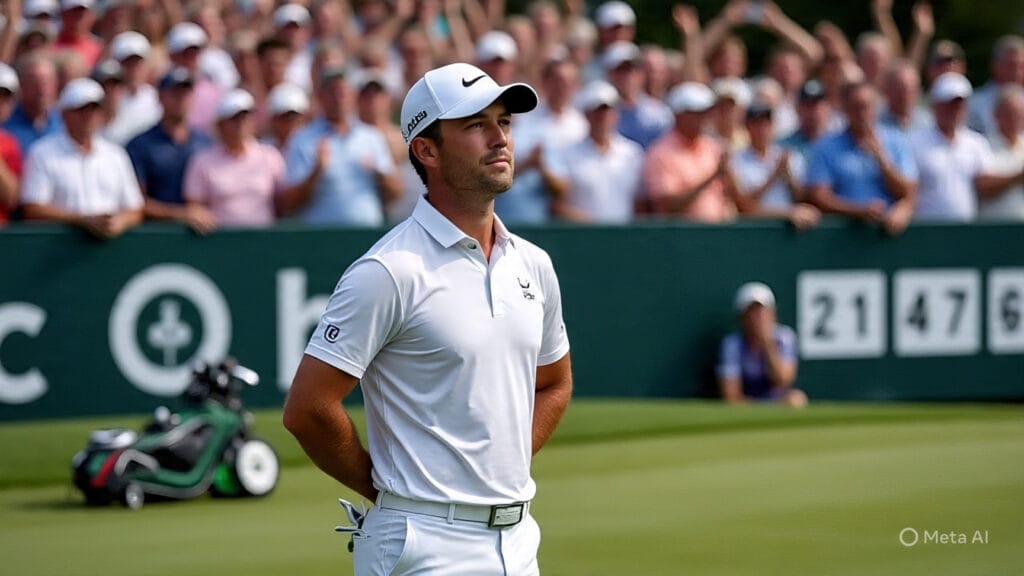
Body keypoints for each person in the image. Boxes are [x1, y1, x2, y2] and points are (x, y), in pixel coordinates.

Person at [283, 62, 573, 576]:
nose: (499, 137)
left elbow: (553, 383)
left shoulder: (535, 264)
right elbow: (308, 408)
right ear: (427, 150)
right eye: (475, 125)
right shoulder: (388, 271)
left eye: (503, 122)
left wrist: (500, 465)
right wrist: (386, 489)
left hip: (519, 540)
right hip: (422, 544)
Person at [20, 77, 143, 239]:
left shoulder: (116, 155)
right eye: (81, 110)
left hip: (110, 251)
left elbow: (135, 208)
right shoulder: (42, 153)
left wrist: (119, 221)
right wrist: (82, 220)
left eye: (94, 109)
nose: (89, 116)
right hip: (56, 251)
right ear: (64, 114)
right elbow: (33, 209)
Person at [279, 67, 400, 226]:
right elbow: (289, 202)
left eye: (343, 92)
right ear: (321, 97)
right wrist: (317, 171)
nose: (338, 98)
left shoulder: (371, 137)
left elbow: (396, 193)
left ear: (352, 97)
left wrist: (378, 174)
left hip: (368, 236)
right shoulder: (303, 139)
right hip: (323, 239)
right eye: (332, 92)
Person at [806, 81, 917, 235]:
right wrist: (858, 210)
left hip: (887, 236)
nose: (861, 113)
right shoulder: (825, 146)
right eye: (855, 107)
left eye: (866, 106)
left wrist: (882, 161)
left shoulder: (896, 141)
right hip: (840, 237)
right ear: (844, 109)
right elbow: (819, 196)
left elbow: (908, 191)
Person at [911, 72, 1019, 222]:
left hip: (965, 233)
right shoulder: (915, 142)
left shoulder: (976, 143)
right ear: (935, 105)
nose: (954, 110)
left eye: (959, 104)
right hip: (926, 232)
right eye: (948, 104)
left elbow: (984, 184)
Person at [126, 68, 215, 234]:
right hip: (155, 236)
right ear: (160, 97)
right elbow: (136, 202)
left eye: (186, 93)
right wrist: (182, 214)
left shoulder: (206, 142)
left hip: (204, 234)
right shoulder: (141, 145)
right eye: (174, 93)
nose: (181, 98)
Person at [183, 89, 286, 227]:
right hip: (220, 241)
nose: (241, 124)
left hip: (263, 241)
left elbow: (283, 202)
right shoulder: (202, 161)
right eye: (234, 119)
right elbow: (195, 206)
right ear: (221, 125)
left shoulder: (270, 156)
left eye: (245, 117)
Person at [547, 79, 643, 223]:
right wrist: (592, 227)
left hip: (625, 239)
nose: (602, 116)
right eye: (597, 111)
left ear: (616, 113)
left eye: (608, 110)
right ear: (586, 114)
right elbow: (558, 206)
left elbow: (641, 203)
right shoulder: (567, 154)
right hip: (583, 238)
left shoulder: (633, 153)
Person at [642, 81, 734, 222]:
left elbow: (726, 195)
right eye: (697, 113)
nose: (704, 118)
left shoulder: (712, 147)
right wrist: (711, 177)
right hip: (679, 239)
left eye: (706, 112)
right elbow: (667, 206)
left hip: (717, 235)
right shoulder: (660, 153)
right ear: (679, 115)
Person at [726, 102, 820, 230]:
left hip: (790, 231)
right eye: (756, 123)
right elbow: (745, 206)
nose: (762, 129)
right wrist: (774, 176)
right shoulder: (736, 161)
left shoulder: (790, 156)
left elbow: (803, 198)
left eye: (766, 123)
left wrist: (787, 177)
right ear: (747, 127)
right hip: (753, 231)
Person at [717, 281, 807, 408]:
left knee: (797, 399)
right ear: (742, 316)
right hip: (746, 406)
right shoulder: (731, 344)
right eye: (752, 311)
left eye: (763, 310)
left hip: (777, 402)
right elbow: (731, 395)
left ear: (773, 313)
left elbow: (783, 380)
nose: (759, 317)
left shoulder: (785, 337)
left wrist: (768, 345)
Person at [978, 86, 1024, 220]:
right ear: (996, 115)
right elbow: (982, 186)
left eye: (1019, 114)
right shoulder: (983, 145)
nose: (1014, 119)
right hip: (994, 230)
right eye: (1009, 114)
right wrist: (1017, 178)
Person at [967, 35, 1024, 138]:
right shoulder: (974, 103)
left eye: (1021, 66)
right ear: (995, 65)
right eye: (1011, 65)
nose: (1017, 72)